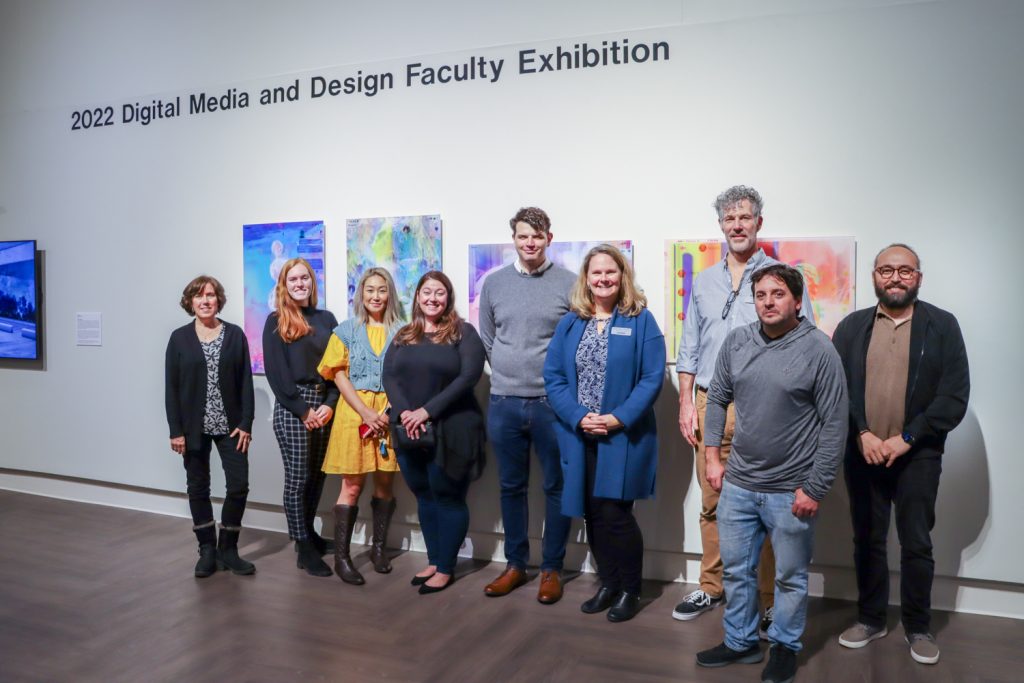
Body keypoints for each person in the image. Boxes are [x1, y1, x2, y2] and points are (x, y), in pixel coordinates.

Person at [695, 264, 847, 683]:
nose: (768, 302)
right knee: (736, 572)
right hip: (739, 485)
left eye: (778, 294)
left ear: (797, 301)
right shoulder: (738, 341)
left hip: (791, 491)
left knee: (790, 577)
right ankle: (740, 641)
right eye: (760, 295)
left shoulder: (819, 350)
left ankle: (784, 646)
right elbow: (716, 398)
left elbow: (835, 424)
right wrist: (712, 459)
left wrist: (814, 488)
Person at [674, 185, 814, 631]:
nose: (737, 225)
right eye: (729, 219)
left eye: (745, 218)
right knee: (713, 501)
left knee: (769, 504)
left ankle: (769, 598)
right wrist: (685, 401)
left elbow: (804, 339)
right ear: (721, 225)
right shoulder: (706, 281)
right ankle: (714, 586)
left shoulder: (782, 277)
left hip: (764, 404)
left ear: (758, 223)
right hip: (709, 402)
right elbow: (690, 345)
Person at [833, 244, 969, 665]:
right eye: (887, 270)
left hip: (918, 455)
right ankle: (871, 618)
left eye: (905, 271)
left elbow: (954, 396)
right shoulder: (853, 327)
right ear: (875, 276)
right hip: (863, 452)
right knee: (868, 540)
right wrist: (863, 433)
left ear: (919, 278)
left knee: (916, 543)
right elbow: (838, 390)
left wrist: (907, 437)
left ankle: (918, 626)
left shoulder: (942, 326)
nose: (896, 277)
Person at [544, 244, 665, 623]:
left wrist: (616, 418)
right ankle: (609, 583)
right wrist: (580, 417)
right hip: (579, 435)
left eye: (610, 272)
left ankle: (630, 588)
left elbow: (651, 379)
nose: (603, 279)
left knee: (616, 513)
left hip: (622, 436)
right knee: (592, 513)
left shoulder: (640, 320)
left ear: (622, 275)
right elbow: (554, 377)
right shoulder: (571, 323)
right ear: (586, 279)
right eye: (596, 273)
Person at [479, 207, 576, 604]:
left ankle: (552, 568)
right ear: (514, 240)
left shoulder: (569, 283)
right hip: (503, 401)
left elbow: (576, 341)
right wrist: (509, 370)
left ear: (549, 238)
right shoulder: (494, 284)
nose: (530, 243)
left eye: (537, 236)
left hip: (552, 405)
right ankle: (515, 565)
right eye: (522, 236)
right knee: (510, 487)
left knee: (557, 487)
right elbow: (488, 338)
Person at [382, 271, 486, 595]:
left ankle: (446, 567)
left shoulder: (463, 334)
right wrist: (407, 414)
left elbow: (468, 377)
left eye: (439, 293)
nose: (432, 298)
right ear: (417, 296)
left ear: (448, 298)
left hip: (453, 429)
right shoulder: (404, 335)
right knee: (424, 495)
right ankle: (433, 559)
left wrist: (426, 412)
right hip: (410, 429)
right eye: (426, 292)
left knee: (448, 496)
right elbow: (389, 378)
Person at [165, 275, 255, 577]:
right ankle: (206, 549)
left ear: (219, 300)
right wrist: (175, 430)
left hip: (231, 426)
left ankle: (228, 548)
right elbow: (171, 388)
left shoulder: (234, 335)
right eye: (199, 295)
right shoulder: (179, 338)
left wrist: (246, 423)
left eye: (211, 295)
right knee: (198, 487)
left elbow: (245, 383)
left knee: (238, 485)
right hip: (192, 428)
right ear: (190, 301)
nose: (205, 300)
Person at [317, 267, 403, 585]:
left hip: (390, 415)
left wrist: (388, 410)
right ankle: (342, 558)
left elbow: (409, 376)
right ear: (361, 294)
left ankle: (379, 549)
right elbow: (338, 374)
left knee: (384, 484)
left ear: (389, 293)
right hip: (354, 415)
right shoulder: (346, 330)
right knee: (351, 486)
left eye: (382, 290)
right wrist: (366, 412)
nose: (375, 296)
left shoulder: (403, 331)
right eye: (370, 290)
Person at [262, 258, 339, 577]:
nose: (299, 283)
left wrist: (332, 402)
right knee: (298, 478)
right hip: (294, 406)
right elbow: (275, 373)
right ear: (284, 284)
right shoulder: (276, 320)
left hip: (324, 404)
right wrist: (303, 410)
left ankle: (309, 532)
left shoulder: (327, 318)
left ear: (312, 281)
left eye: (304, 277)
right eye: (292, 279)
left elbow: (338, 366)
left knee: (318, 475)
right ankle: (303, 546)